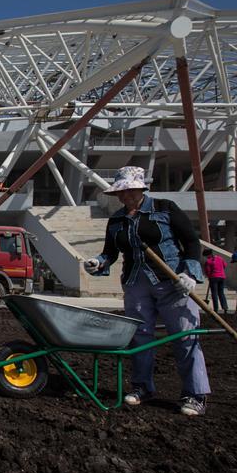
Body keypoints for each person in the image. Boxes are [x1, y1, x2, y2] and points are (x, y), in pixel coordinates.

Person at [84, 166, 210, 417]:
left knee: (185, 337)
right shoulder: (117, 220)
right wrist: (98, 262)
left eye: (129, 191)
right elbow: (111, 252)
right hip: (135, 283)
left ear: (141, 189)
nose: (125, 197)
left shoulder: (165, 208)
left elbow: (192, 241)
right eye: (121, 193)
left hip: (172, 282)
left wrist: (190, 273)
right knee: (140, 337)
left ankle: (195, 395)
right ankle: (142, 387)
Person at [203, 249, 229, 314]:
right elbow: (224, 265)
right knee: (221, 293)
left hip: (213, 278)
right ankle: (225, 307)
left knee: (214, 293)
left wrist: (209, 277)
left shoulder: (208, 262)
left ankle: (216, 308)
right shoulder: (220, 258)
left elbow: (207, 271)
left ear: (208, 255)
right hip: (222, 277)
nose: (205, 257)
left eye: (206, 256)